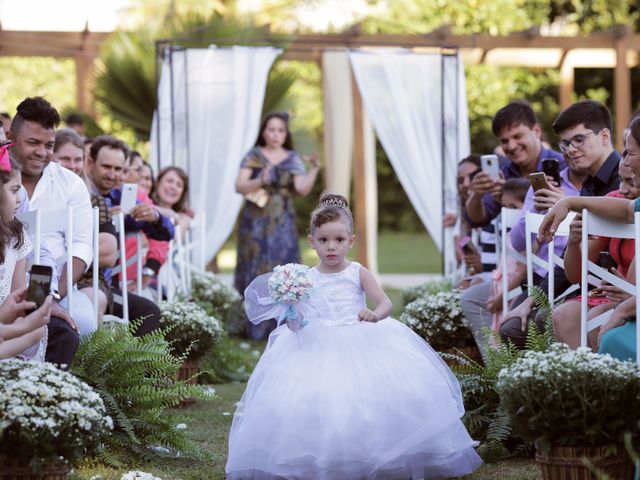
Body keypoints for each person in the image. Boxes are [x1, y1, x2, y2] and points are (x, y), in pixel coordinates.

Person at [226, 193, 482, 480]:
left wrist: (374, 314)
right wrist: (293, 314)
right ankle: (323, 457)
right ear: (312, 241)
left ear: (351, 240)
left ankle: (379, 454)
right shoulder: (305, 277)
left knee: (368, 400)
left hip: (360, 337)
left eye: (338, 239)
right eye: (323, 240)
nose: (331, 247)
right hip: (317, 343)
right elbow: (298, 320)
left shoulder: (357, 272)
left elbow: (385, 303)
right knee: (317, 400)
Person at [8, 97, 90, 365]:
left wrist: (46, 299)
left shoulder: (70, 184)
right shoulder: (9, 182)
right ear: (10, 138)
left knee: (79, 326)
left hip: (50, 287)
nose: (42, 152)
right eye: (33, 143)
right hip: (13, 289)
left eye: (49, 145)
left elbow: (74, 247)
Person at [234, 112, 320, 339]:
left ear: (286, 134)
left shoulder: (291, 157)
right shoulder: (254, 155)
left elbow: (301, 189)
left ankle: (284, 324)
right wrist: (259, 180)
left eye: (280, 130)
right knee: (256, 264)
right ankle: (255, 327)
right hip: (255, 221)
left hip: (282, 220)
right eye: (271, 129)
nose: (275, 134)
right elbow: (240, 185)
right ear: (263, 132)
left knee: (282, 266)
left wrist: (313, 169)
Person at [84, 135, 173, 336]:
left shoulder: (118, 197)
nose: (113, 174)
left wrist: (155, 217)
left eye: (119, 169)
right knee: (148, 311)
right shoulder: (81, 193)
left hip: (107, 286)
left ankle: (135, 367)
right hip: (85, 285)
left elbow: (165, 233)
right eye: (106, 167)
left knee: (150, 311)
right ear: (90, 164)